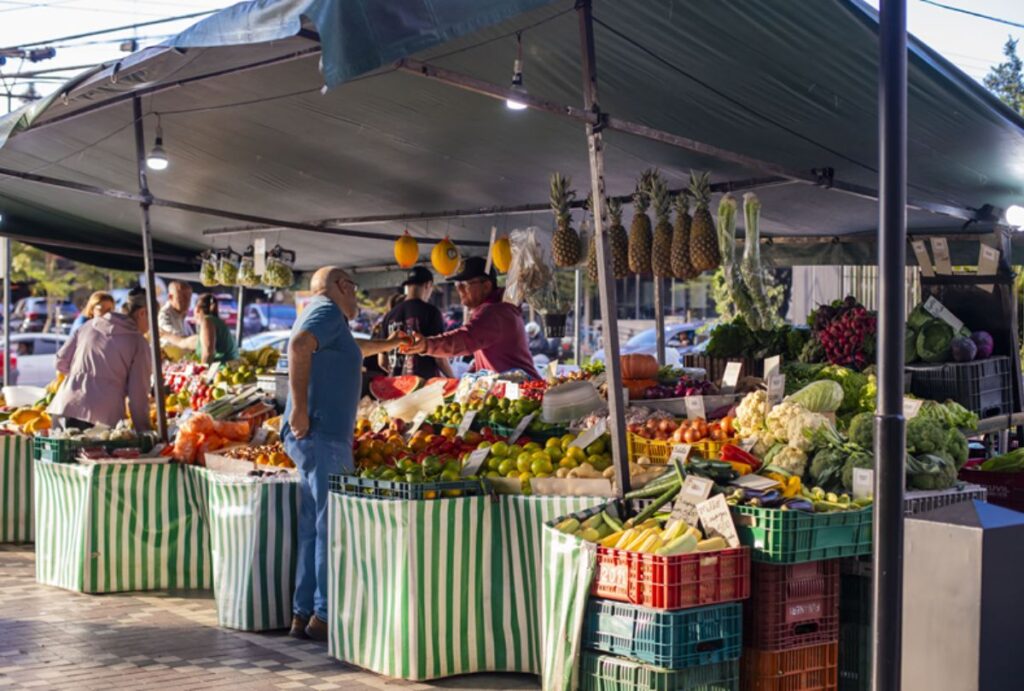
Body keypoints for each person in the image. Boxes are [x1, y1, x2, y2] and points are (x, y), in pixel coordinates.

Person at [284, 266, 408, 642]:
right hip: (322, 434)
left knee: (312, 527)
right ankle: (324, 614)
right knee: (331, 526)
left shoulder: (327, 320)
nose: (356, 295)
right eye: (353, 287)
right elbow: (300, 345)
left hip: (316, 437)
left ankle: (301, 612)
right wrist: (300, 408)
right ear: (340, 286)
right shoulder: (325, 311)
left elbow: (351, 348)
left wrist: (388, 344)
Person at [404, 256, 540, 379]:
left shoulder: (494, 313)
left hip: (520, 391)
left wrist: (427, 345)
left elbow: (465, 339)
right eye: (457, 285)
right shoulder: (498, 309)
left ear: (486, 286)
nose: (459, 290)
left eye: (464, 284)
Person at [48, 289, 152, 432]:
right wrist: (145, 431)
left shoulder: (88, 326)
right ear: (142, 313)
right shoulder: (138, 343)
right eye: (154, 319)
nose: (152, 327)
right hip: (101, 418)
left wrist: (82, 377)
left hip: (64, 406)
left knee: (64, 453)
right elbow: (138, 397)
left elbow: (60, 362)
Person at [378, 266, 454, 379]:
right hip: (423, 385)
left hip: (395, 385)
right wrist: (453, 379)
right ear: (428, 285)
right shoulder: (431, 312)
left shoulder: (389, 315)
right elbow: (440, 357)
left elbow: (382, 361)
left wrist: (396, 371)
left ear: (408, 286)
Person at [361, 293, 404, 397]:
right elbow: (381, 362)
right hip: (376, 377)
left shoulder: (382, 324)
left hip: (367, 375)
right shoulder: (392, 327)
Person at [194, 293, 239, 364]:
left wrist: (201, 371)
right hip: (232, 367)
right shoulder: (216, 321)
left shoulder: (207, 321)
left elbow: (208, 352)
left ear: (197, 309)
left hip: (222, 370)